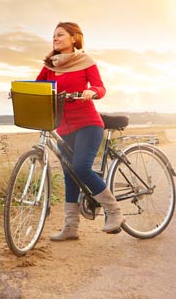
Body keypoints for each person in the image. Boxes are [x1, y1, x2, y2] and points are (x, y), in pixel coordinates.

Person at [35, 22, 124, 241]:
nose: (55, 38)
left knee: (81, 167)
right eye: (53, 35)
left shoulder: (85, 61)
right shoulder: (51, 65)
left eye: (60, 35)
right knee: (69, 175)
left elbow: (100, 86)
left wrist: (91, 91)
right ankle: (71, 227)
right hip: (64, 127)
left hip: (88, 124)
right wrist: (19, 92)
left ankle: (114, 212)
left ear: (74, 38)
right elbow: (37, 86)